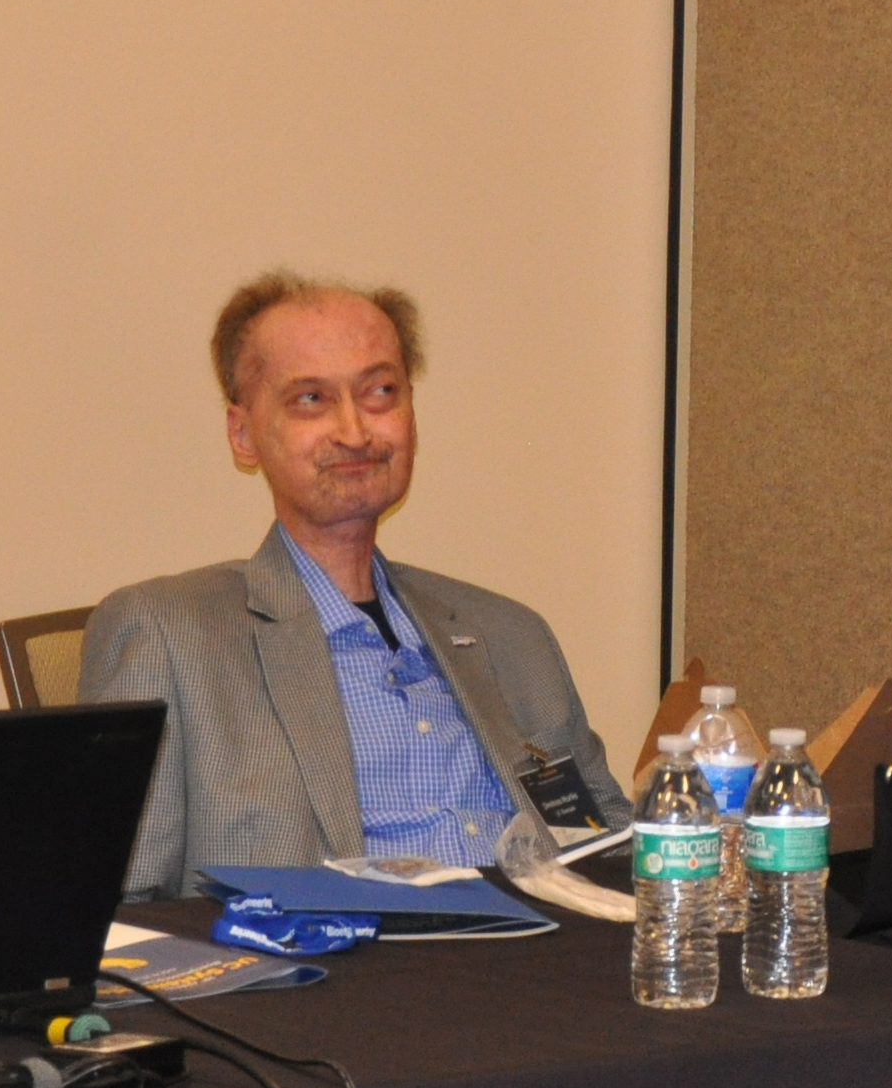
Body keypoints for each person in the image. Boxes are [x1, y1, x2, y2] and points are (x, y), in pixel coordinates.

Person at [83, 271, 635, 899]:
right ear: (243, 434)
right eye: (311, 400)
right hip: (341, 956)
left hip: (548, 947)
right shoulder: (168, 634)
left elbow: (610, 858)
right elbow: (116, 910)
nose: (354, 431)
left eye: (380, 392)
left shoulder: (511, 635)